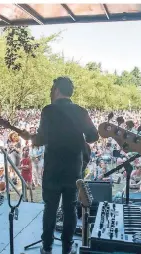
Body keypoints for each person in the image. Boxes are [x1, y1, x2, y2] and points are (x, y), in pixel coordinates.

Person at [25, 77, 99, 254]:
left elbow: (41, 139)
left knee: (49, 209)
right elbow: (93, 136)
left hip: (53, 169)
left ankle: (47, 247)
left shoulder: (48, 111)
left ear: (56, 90)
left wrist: (33, 138)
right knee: (70, 209)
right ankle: (67, 248)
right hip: (73, 169)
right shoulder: (81, 111)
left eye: (52, 89)